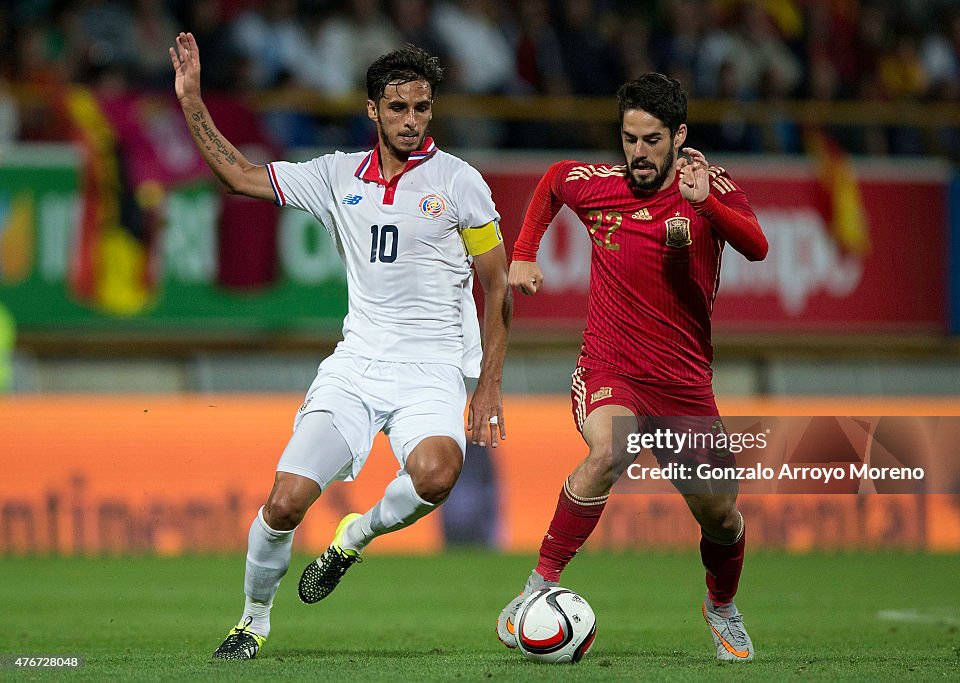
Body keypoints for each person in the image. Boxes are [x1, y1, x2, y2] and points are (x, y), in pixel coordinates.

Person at [170, 33, 512, 660]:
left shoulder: (460, 182)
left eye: (422, 107)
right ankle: (252, 622)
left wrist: (488, 384)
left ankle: (355, 537)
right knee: (284, 503)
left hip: (433, 369)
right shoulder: (334, 176)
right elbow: (238, 175)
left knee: (437, 473)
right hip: (356, 366)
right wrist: (192, 100)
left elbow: (498, 283)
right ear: (372, 111)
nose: (411, 120)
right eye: (398, 107)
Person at [497, 72, 768, 662]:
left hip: (685, 386)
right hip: (610, 368)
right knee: (609, 451)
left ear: (679, 136)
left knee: (722, 516)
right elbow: (551, 183)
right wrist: (522, 254)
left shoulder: (710, 187)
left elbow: (757, 246)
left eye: (651, 140)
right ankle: (536, 589)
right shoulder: (600, 186)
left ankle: (720, 606)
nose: (638, 153)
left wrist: (708, 206)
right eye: (629, 139)